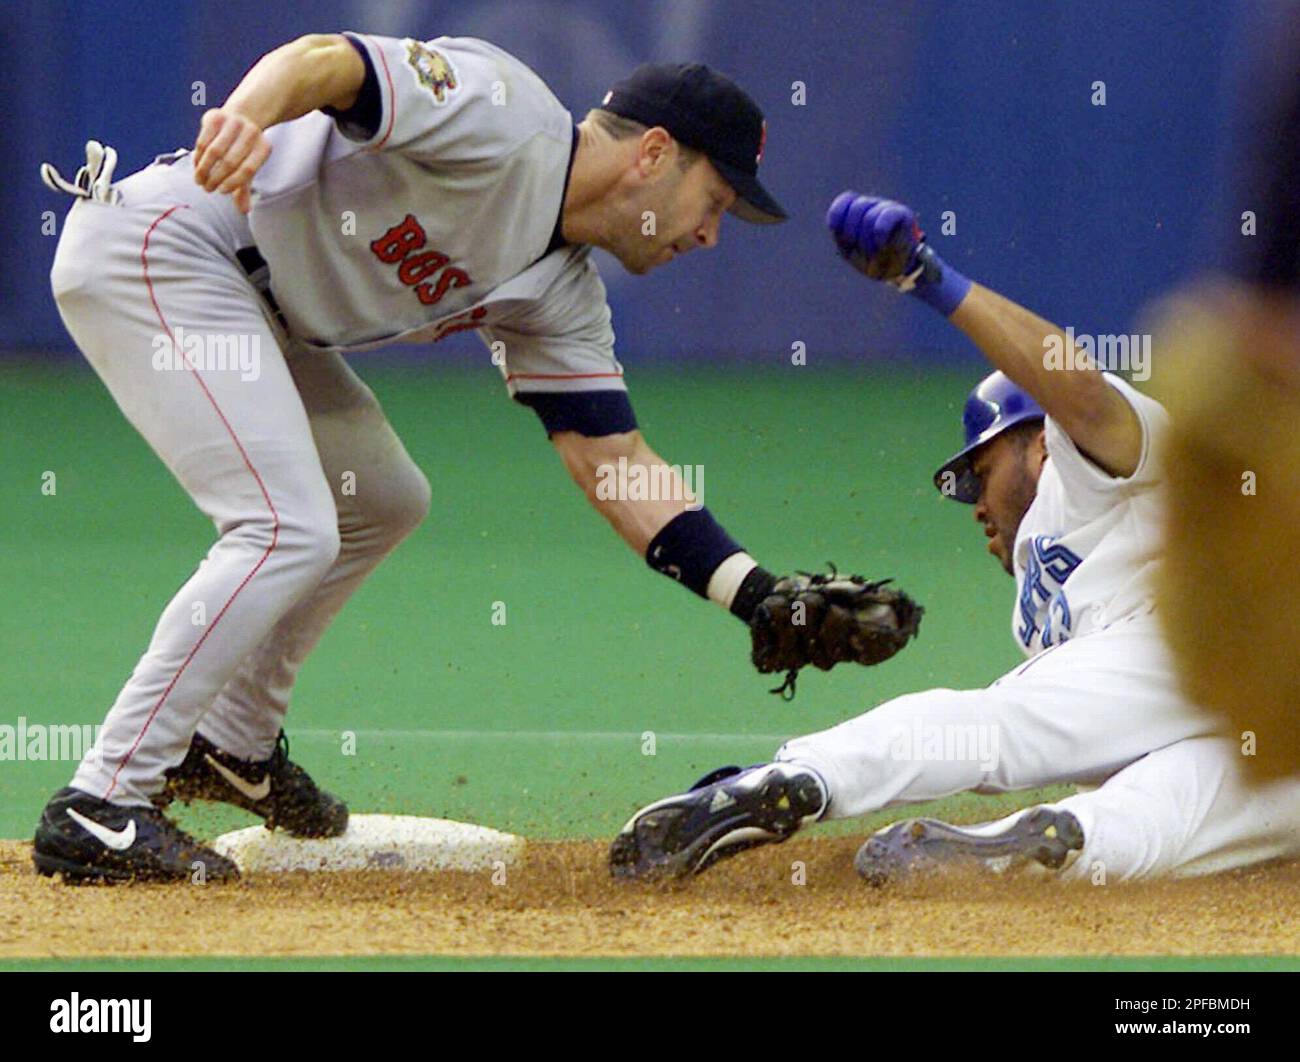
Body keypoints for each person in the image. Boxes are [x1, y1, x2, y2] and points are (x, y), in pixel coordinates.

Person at [33, 31, 908, 883]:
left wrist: (753, 594)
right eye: (716, 200)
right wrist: (245, 115)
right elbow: (325, 62)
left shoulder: (561, 294)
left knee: (382, 498)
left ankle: (231, 745)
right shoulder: (505, 114)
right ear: (653, 154)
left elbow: (614, 462)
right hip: (167, 247)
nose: (712, 234)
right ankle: (101, 799)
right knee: (284, 525)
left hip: (257, 305)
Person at [610, 193, 1300, 884]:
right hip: (1261, 703)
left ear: (1038, 446)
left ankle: (799, 775)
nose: (972, 504)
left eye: (979, 473)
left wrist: (928, 278)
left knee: (994, 727)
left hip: (1188, 648)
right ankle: (1037, 849)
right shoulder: (1037, 604)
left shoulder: (1090, 468)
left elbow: (1079, 391)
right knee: (1179, 810)